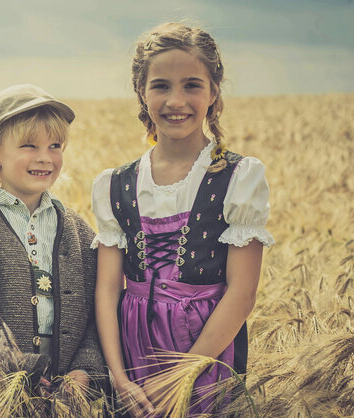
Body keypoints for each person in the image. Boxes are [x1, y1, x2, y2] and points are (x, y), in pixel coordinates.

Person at [92, 22, 275, 416]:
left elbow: (242, 294)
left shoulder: (238, 177)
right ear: (142, 92)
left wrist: (183, 374)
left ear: (214, 92)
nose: (176, 100)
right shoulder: (115, 184)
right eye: (161, 86)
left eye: (192, 85)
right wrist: (119, 376)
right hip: (132, 350)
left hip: (206, 350)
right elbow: (107, 289)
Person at [0, 84, 105, 398]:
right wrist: (17, 366)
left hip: (70, 397)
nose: (45, 158)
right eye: (29, 146)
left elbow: (98, 314)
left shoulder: (79, 232)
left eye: (55, 146)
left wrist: (86, 370)